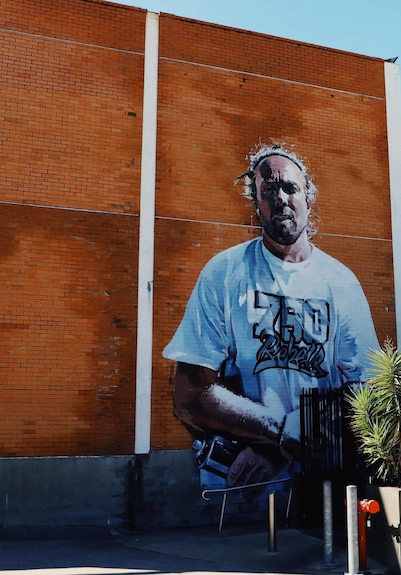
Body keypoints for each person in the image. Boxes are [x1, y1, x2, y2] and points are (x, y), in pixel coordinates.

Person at [163, 143, 380, 489]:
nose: (280, 197)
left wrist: (287, 444)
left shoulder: (340, 283)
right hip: (238, 495)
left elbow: (368, 389)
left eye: (290, 188)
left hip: (321, 488)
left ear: (308, 197)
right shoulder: (224, 273)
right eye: (269, 190)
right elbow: (191, 393)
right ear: (257, 205)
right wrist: (278, 432)